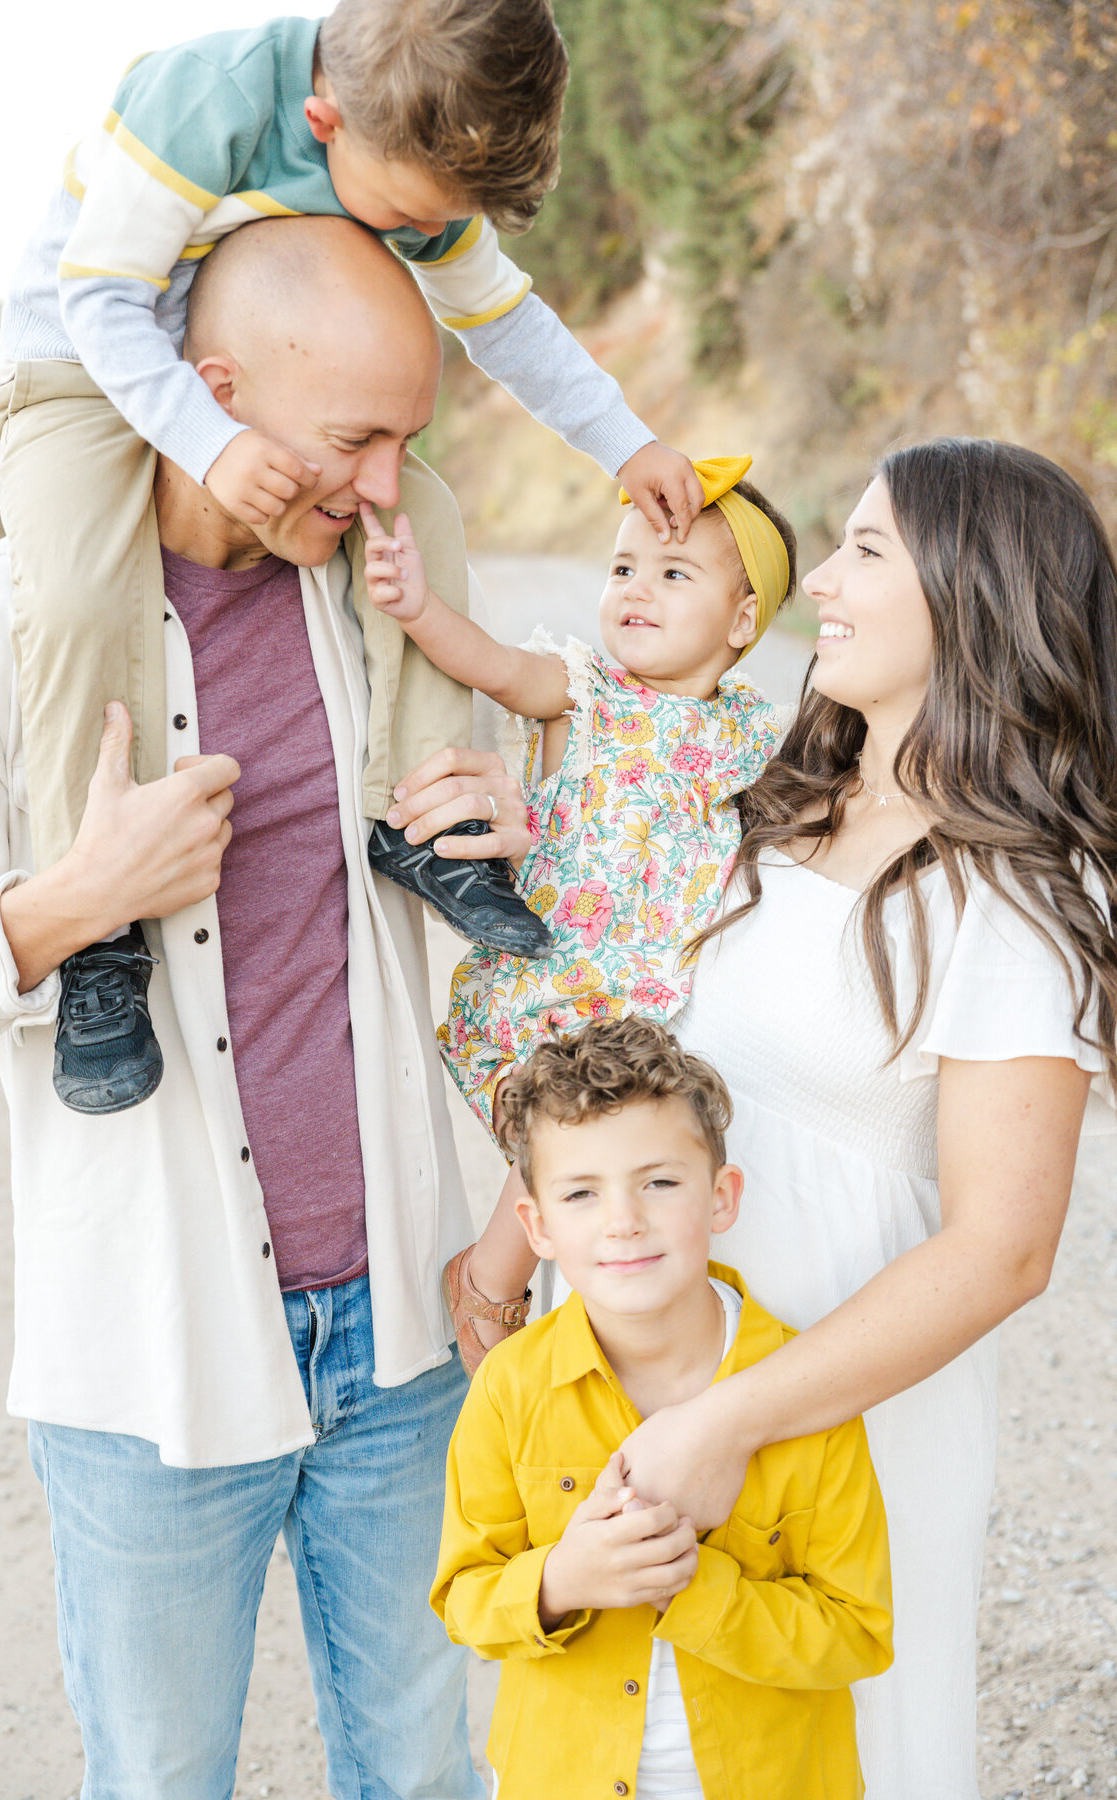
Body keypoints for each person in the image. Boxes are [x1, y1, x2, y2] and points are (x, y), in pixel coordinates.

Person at [0, 215, 536, 1800]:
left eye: (411, 439)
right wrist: (73, 900)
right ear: (211, 391)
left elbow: (523, 934)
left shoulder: (375, 605)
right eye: (354, 440)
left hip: (408, 1341)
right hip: (144, 1372)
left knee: (425, 1774)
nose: (390, 484)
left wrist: (520, 827)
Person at [0, 0, 705, 1112]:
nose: (423, 239)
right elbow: (101, 299)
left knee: (427, 517)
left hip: (252, 378)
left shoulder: (412, 157)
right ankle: (98, 934)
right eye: (414, 219)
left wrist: (627, 441)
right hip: (80, 364)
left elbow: (506, 323)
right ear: (325, 120)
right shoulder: (206, 101)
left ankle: (418, 817)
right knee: (79, 592)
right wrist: (212, 442)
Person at [607, 440, 1117, 1798]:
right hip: (672, 1385)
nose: (818, 583)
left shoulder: (1014, 900)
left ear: (976, 594)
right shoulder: (792, 809)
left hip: (834, 1419)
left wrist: (733, 1421)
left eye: (865, 552)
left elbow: (1005, 1250)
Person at [362, 456, 795, 1367]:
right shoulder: (583, 691)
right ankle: (489, 1282)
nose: (638, 590)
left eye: (675, 574)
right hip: (556, 984)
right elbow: (489, 664)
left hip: (655, 1001)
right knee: (579, 1133)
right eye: (624, 568)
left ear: (744, 618)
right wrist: (416, 606)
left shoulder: (752, 733)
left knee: (625, 1166)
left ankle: (611, 1333)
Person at [431, 1016, 893, 1798]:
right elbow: (465, 1597)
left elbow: (857, 1632)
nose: (623, 1221)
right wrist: (561, 1580)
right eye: (581, 1192)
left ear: (721, 1198)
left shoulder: (800, 1388)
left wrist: (696, 1588)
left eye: (660, 1182)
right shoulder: (512, 1387)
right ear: (537, 1226)